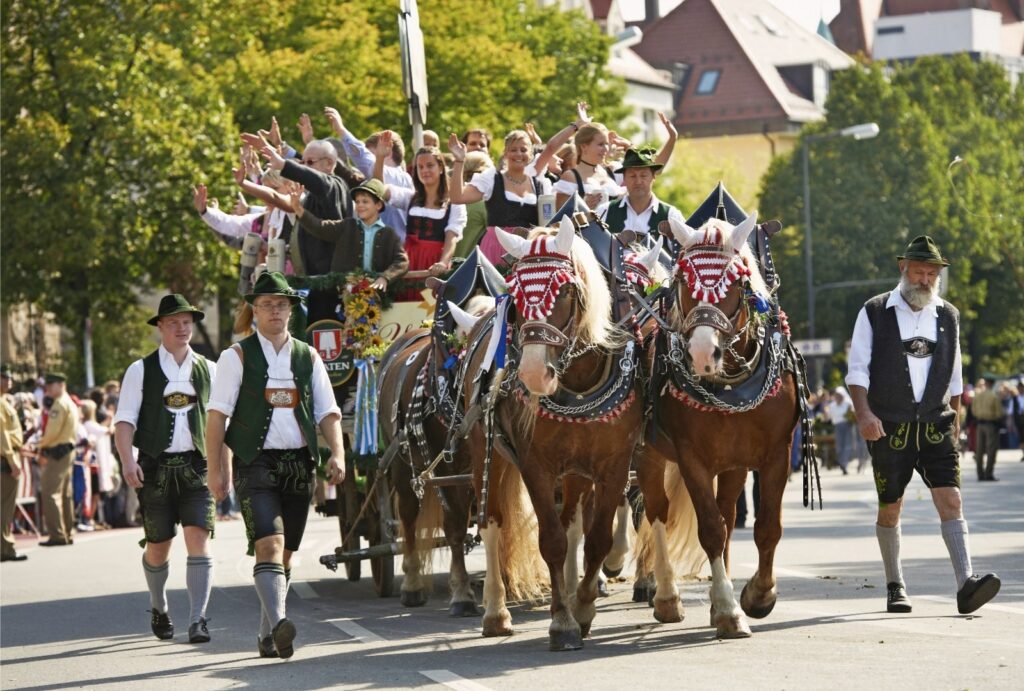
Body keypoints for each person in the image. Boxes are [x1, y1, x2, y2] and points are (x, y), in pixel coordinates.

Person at [846, 235, 1000, 615]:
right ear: (903, 269)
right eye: (919, 271)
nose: (925, 279)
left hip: (936, 424)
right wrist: (864, 414)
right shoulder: (875, 310)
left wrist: (957, 425)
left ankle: (966, 584)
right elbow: (857, 371)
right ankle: (895, 585)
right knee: (891, 507)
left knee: (951, 499)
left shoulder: (947, 315)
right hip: (889, 427)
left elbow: (955, 378)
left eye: (932, 273)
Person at [205, 272, 346, 659]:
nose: (274, 311)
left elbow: (327, 411)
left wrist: (338, 453)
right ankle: (282, 623)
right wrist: (215, 469)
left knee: (285, 554)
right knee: (268, 544)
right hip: (255, 463)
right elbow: (216, 417)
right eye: (266, 304)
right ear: (254, 310)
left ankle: (269, 632)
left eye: (281, 304)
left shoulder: (307, 354)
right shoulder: (235, 357)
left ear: (290, 310)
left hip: (299, 463)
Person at [113, 294, 217, 643]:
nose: (182, 328)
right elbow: (124, 421)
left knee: (198, 539)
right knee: (159, 545)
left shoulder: (209, 369)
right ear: (160, 326)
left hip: (197, 466)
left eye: (187, 322)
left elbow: (221, 425)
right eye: (174, 322)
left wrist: (224, 467)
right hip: (155, 468)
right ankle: (159, 606)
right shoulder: (140, 370)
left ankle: (198, 618)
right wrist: (128, 461)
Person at [448, 128, 556, 265]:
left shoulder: (540, 184)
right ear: (505, 153)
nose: (518, 154)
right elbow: (458, 197)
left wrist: (576, 126)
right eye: (513, 150)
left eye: (523, 150)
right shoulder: (492, 179)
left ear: (530, 155)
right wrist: (459, 161)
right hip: (496, 248)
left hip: (528, 250)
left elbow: (552, 147)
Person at [373, 134, 466, 286]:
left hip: (434, 263)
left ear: (441, 168)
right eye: (420, 167)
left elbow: (451, 237)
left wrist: (443, 263)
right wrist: (380, 158)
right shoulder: (410, 197)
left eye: (430, 165)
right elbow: (379, 189)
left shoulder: (453, 203)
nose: (424, 171)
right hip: (408, 260)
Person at [288, 178, 409, 289]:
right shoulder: (346, 226)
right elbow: (319, 226)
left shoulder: (389, 234)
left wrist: (385, 277)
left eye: (365, 201)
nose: (360, 205)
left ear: (378, 205)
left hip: (377, 298)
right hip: (343, 295)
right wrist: (298, 208)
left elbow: (402, 261)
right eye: (357, 202)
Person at [595, 146, 686, 252]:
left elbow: (684, 254)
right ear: (624, 179)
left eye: (643, 176)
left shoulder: (671, 215)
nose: (638, 181)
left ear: (653, 177)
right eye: (632, 176)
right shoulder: (605, 211)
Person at [36, 372, 77, 547]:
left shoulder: (58, 405)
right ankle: (67, 532)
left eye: (51, 385)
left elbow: (51, 433)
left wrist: (39, 446)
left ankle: (57, 535)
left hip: (57, 452)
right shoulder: (69, 402)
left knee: (50, 492)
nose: (48, 389)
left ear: (61, 385)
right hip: (67, 451)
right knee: (65, 494)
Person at [1, 365, 27, 562]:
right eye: (3, 377)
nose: (8, 380)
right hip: (4, 459)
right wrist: (12, 461)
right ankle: (6, 548)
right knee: (5, 506)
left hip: (8, 456)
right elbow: (2, 438)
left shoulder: (4, 401)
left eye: (9, 377)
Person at [969, 375, 1002, 481]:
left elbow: (973, 411)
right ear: (992, 384)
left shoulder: (978, 396)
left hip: (979, 425)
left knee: (979, 450)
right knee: (991, 450)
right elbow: (999, 413)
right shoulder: (994, 396)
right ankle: (988, 474)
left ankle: (980, 474)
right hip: (991, 424)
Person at [825, 387, 854, 475]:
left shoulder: (848, 403)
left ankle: (844, 464)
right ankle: (842, 463)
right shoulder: (832, 405)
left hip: (847, 426)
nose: (838, 397)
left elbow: (853, 414)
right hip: (837, 427)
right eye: (836, 395)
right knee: (839, 446)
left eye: (839, 395)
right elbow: (828, 418)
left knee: (847, 445)